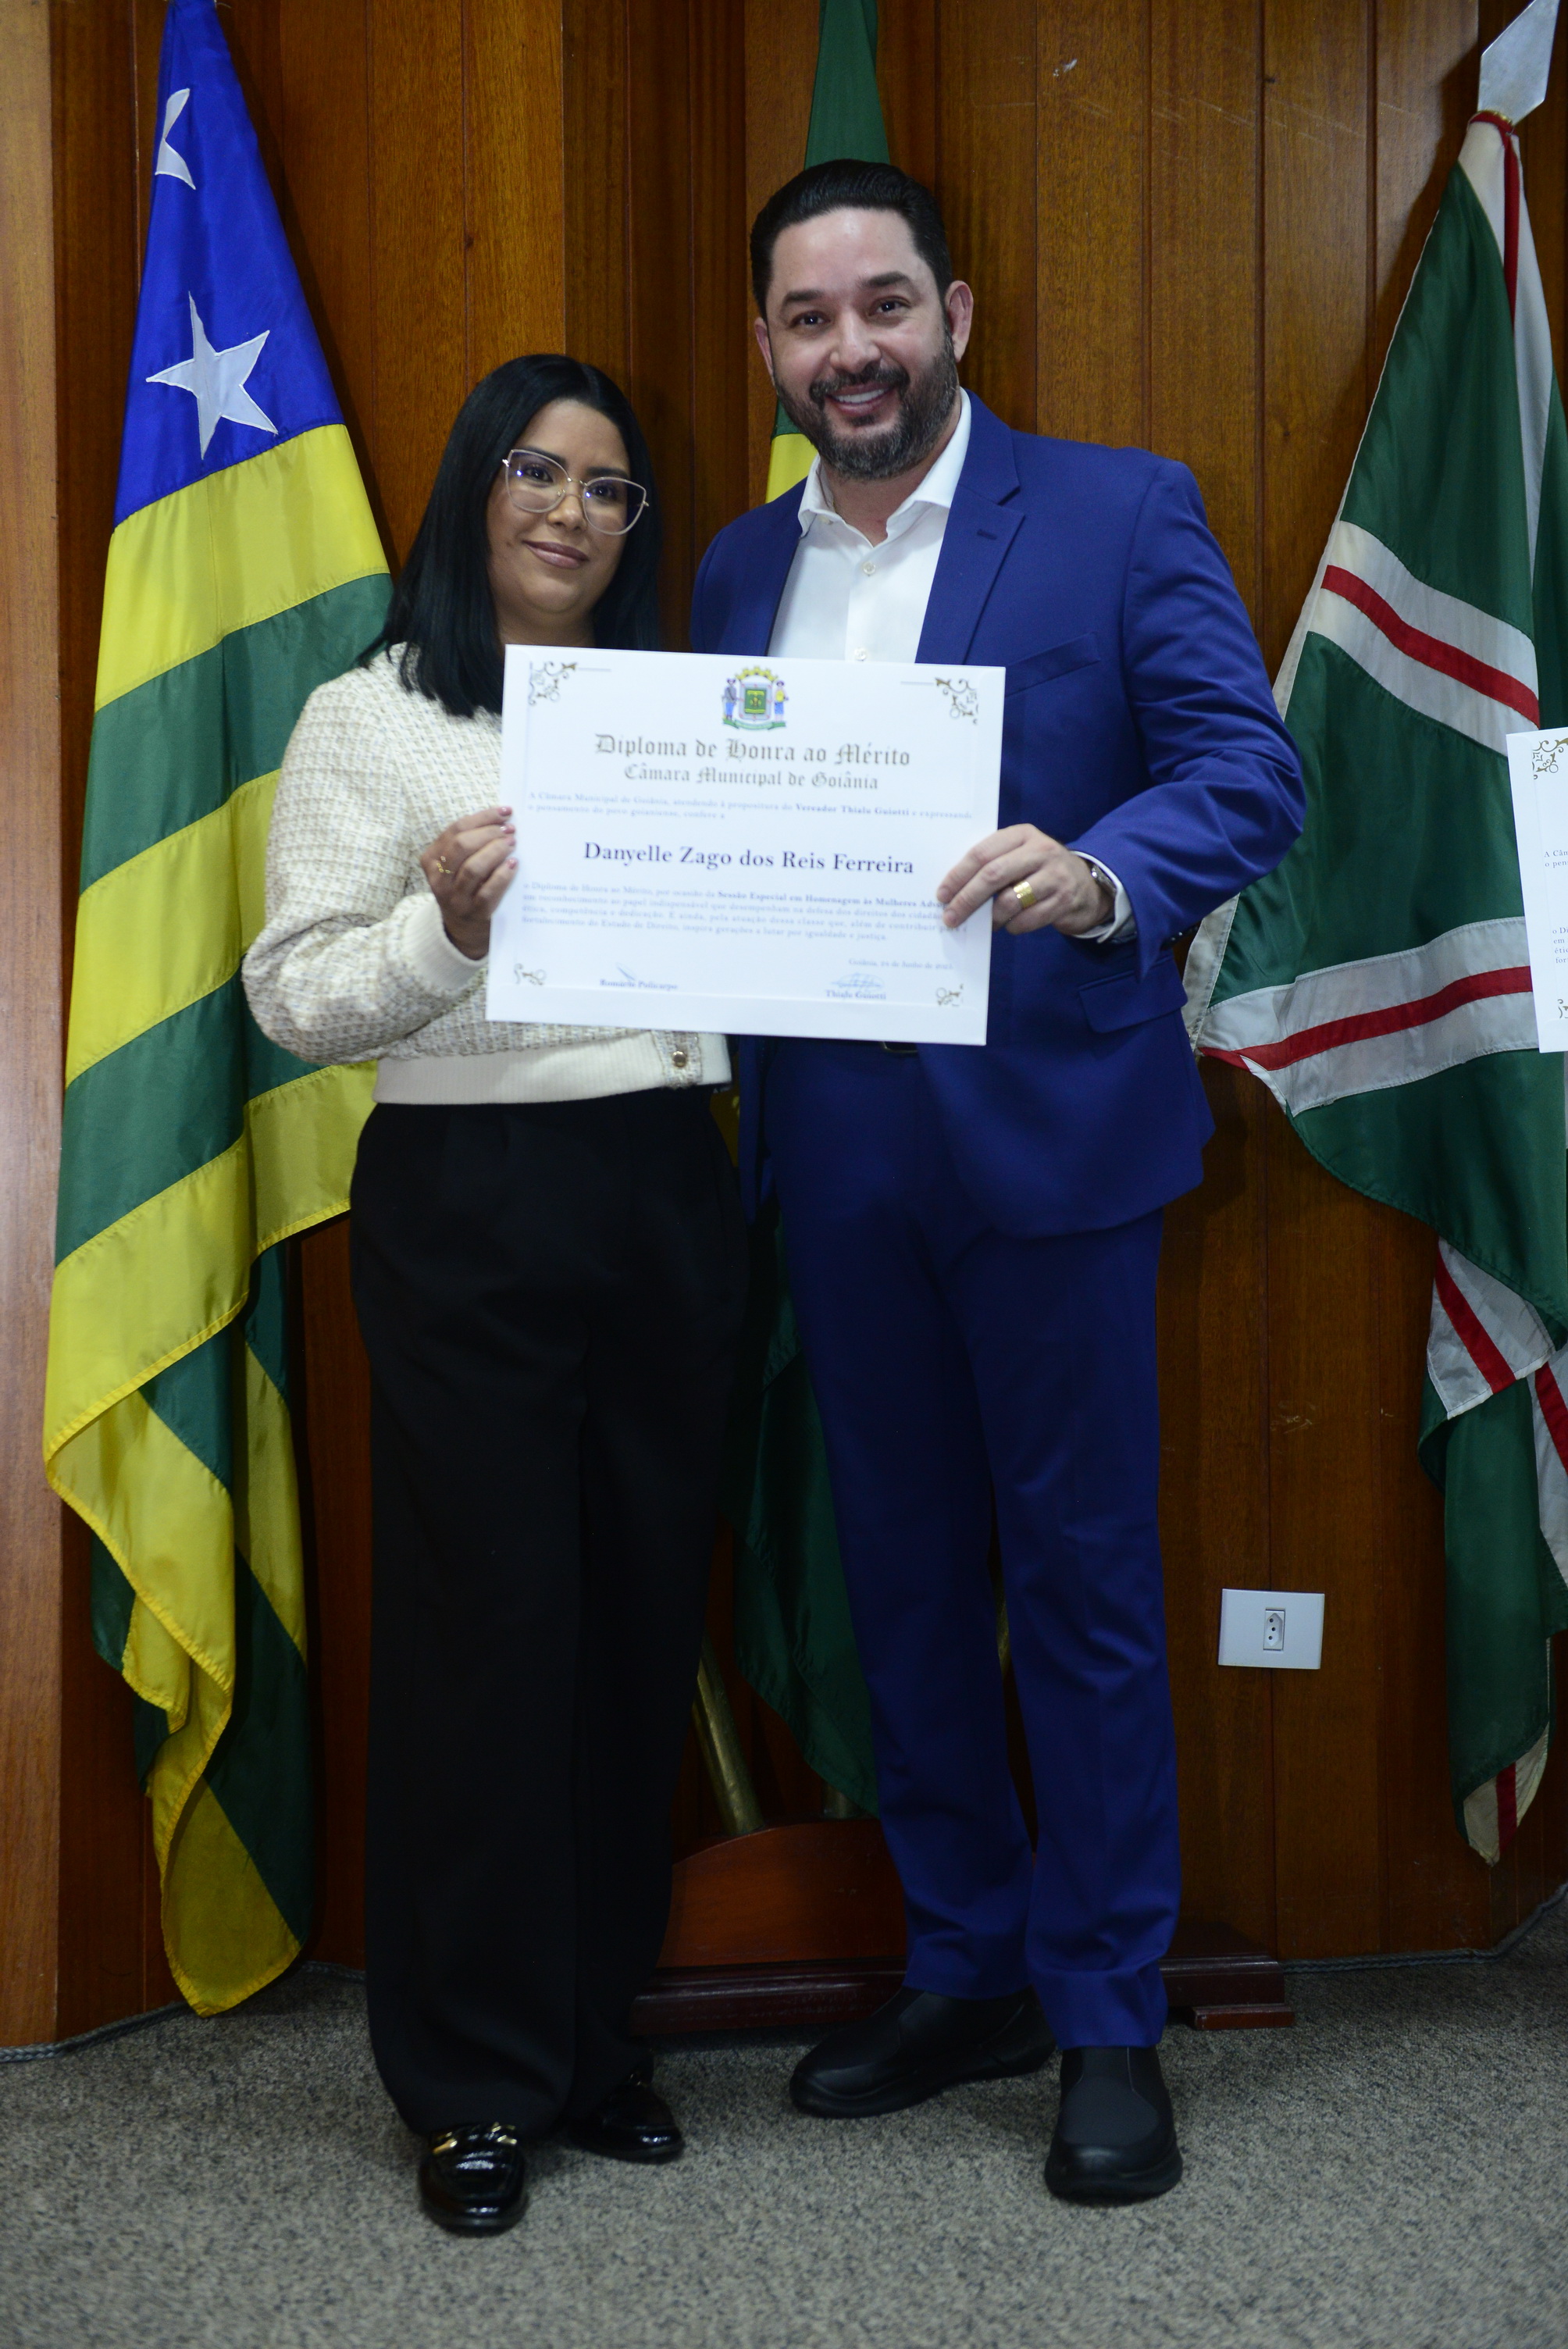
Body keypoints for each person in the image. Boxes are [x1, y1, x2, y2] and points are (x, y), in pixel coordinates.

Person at [691, 162, 1304, 2204]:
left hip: (1050, 1139)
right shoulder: (731, 569)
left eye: (883, 304)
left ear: (952, 311)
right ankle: (965, 1964)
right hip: (830, 1145)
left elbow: (1252, 770)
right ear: (767, 346)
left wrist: (1103, 870)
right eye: (808, 319)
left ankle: (1107, 2007)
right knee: (899, 1583)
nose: (849, 349)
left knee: (1084, 1587)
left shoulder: (1119, 511)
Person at [244, 355, 747, 2236]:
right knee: (488, 1630)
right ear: (473, 488)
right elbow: (295, 993)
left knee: (630, 1616)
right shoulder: (369, 713)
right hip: (470, 1197)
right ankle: (467, 2079)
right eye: (536, 471)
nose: (569, 510)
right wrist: (444, 926)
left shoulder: (685, 714)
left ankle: (588, 2042)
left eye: (608, 487)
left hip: (665, 1181)